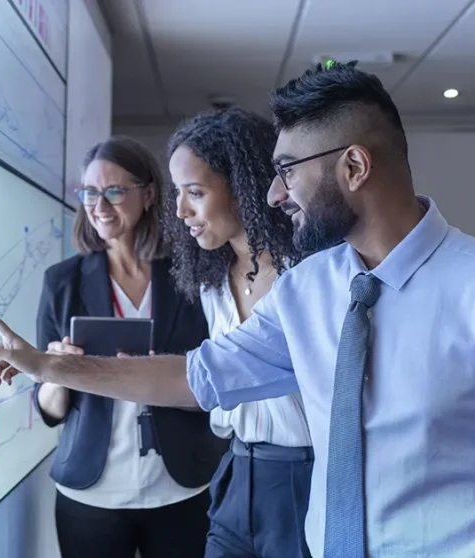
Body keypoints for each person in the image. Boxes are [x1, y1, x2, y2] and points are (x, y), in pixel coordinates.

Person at [0, 61, 475, 557]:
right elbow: (198, 375)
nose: (275, 195)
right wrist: (52, 367)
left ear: (354, 167)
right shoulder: (312, 290)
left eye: (286, 171)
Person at [33, 136, 225, 558]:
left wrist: (167, 375)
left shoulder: (190, 277)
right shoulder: (61, 283)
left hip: (180, 486)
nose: (99, 205)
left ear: (149, 194)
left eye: (115, 191)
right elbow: (48, 410)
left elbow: (216, 383)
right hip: (92, 493)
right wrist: (58, 371)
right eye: (89, 192)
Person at [163, 107, 315, 557]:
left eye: (195, 192)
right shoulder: (213, 280)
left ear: (243, 185)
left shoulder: (306, 272)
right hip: (237, 469)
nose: (180, 210)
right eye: (177, 193)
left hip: (305, 476)